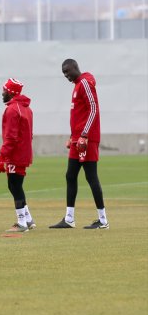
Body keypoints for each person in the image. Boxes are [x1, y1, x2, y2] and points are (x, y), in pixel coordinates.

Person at [50, 59, 109, 229]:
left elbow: (93, 109)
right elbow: (79, 115)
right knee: (70, 175)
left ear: (76, 68)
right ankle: (69, 218)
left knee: (91, 177)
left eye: (68, 71)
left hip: (87, 140)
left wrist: (84, 135)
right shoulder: (77, 85)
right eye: (64, 73)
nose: (66, 75)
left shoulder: (84, 83)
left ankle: (103, 220)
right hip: (78, 139)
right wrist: (73, 136)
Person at [0, 78, 36, 232]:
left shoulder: (13, 109)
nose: (2, 93)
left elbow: (11, 137)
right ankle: (28, 219)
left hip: (16, 154)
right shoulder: (26, 108)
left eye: (4, 90)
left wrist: (2, 157)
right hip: (24, 152)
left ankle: (21, 223)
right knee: (16, 185)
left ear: (11, 92)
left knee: (14, 185)